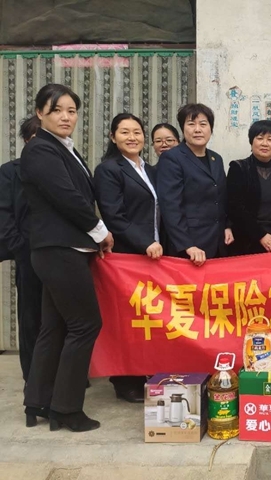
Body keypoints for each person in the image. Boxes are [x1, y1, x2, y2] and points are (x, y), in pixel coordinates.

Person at [21, 83, 114, 432]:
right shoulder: (41, 149)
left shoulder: (61, 148)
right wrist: (100, 231)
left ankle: (39, 401)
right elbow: (67, 197)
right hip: (60, 250)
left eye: (71, 111)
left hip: (60, 250)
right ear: (40, 113)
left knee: (55, 325)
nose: (65, 117)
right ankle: (67, 409)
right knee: (86, 324)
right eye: (56, 110)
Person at [94, 113, 162, 403]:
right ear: (113, 137)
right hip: (127, 256)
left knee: (150, 318)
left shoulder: (150, 170)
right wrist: (145, 242)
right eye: (124, 132)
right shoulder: (109, 170)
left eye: (137, 132)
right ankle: (124, 381)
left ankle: (145, 371)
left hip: (155, 255)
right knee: (128, 319)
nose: (132, 137)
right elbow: (114, 216)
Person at [156, 103, 233, 265]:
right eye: (191, 124)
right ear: (183, 129)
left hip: (217, 241)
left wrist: (227, 226)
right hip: (190, 246)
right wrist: (187, 245)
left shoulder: (216, 159)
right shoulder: (172, 158)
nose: (198, 129)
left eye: (203, 124)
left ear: (210, 128)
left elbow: (221, 197)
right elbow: (171, 206)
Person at [0, 115, 42, 383]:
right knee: (31, 315)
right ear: (27, 140)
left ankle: (65, 372)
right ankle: (34, 375)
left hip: (63, 254)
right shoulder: (10, 171)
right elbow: (3, 214)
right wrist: (19, 249)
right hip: (29, 253)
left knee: (63, 316)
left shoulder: (66, 166)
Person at [227, 120, 271, 254]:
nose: (265, 143)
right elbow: (234, 208)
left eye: (270, 139)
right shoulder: (238, 168)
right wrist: (261, 235)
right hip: (247, 241)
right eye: (260, 138)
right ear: (251, 142)